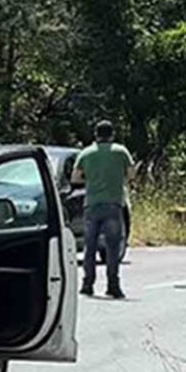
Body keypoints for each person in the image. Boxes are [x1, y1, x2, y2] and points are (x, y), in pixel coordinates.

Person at [72, 120, 134, 299]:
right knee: (112, 247)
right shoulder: (121, 152)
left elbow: (75, 178)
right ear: (112, 134)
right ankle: (113, 285)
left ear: (95, 134)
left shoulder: (86, 153)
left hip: (92, 204)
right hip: (114, 204)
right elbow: (131, 175)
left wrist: (91, 179)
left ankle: (87, 284)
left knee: (89, 246)